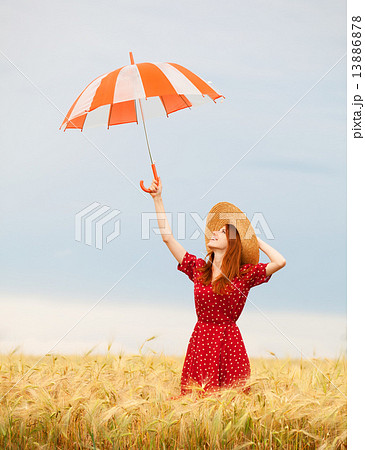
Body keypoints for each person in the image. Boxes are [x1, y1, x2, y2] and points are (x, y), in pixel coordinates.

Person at [148, 176, 286, 397]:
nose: (213, 232)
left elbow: (279, 261)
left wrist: (252, 239)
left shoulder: (244, 275)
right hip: (201, 341)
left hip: (228, 345)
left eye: (222, 232)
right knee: (196, 402)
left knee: (230, 404)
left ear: (233, 243)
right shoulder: (199, 269)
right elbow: (167, 238)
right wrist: (158, 198)